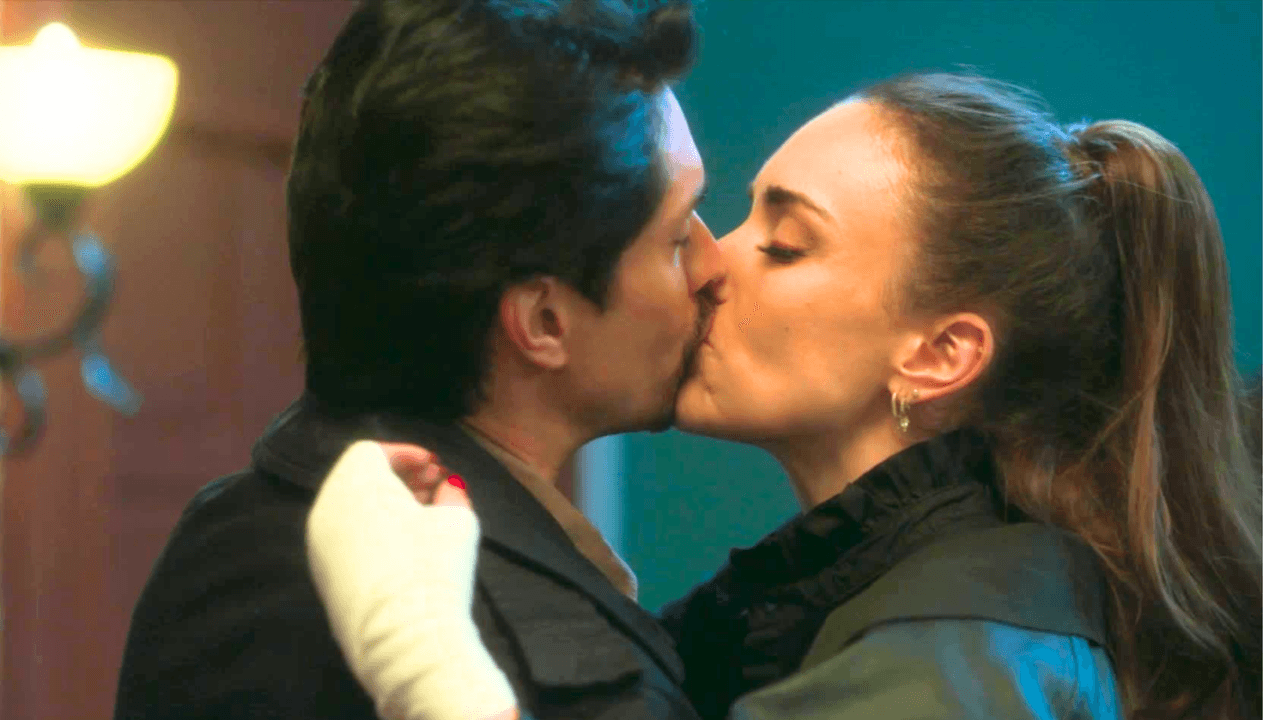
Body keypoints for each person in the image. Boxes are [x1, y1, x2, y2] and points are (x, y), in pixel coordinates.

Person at [306, 72, 1263, 720]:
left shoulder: (954, 656)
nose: (712, 264)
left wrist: (422, 652)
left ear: (940, 354)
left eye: (786, 244)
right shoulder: (871, 598)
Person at [111, 0, 726, 718]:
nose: (714, 265)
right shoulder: (520, 660)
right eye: (678, 237)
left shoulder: (237, 536)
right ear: (543, 322)